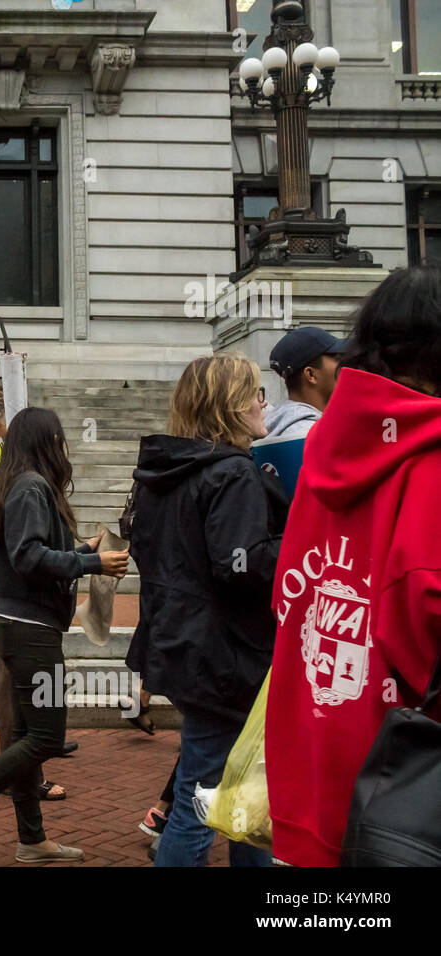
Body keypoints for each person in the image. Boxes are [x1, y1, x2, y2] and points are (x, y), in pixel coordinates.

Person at [266, 265, 441, 867]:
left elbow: (289, 593)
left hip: (312, 770)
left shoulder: (322, 447)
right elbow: (424, 611)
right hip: (406, 796)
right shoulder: (429, 458)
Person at [0, 408, 127, 866]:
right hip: (31, 632)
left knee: (22, 735)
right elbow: (27, 556)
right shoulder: (30, 487)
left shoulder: (17, 484)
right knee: (45, 736)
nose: (65, 448)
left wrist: (82, 552)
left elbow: (26, 552)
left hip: (21, 625)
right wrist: (91, 564)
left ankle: (32, 840)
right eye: (61, 439)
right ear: (49, 441)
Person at [125, 352, 286, 868]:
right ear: (231, 406)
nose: (265, 404)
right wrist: (296, 541)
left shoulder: (163, 472)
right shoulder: (232, 474)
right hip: (227, 656)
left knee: (241, 792)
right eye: (256, 394)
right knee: (205, 800)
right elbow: (240, 567)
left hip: (183, 647)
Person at [263, 326, 347, 439]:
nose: (345, 366)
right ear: (311, 375)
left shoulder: (282, 423)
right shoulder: (307, 435)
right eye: (338, 359)